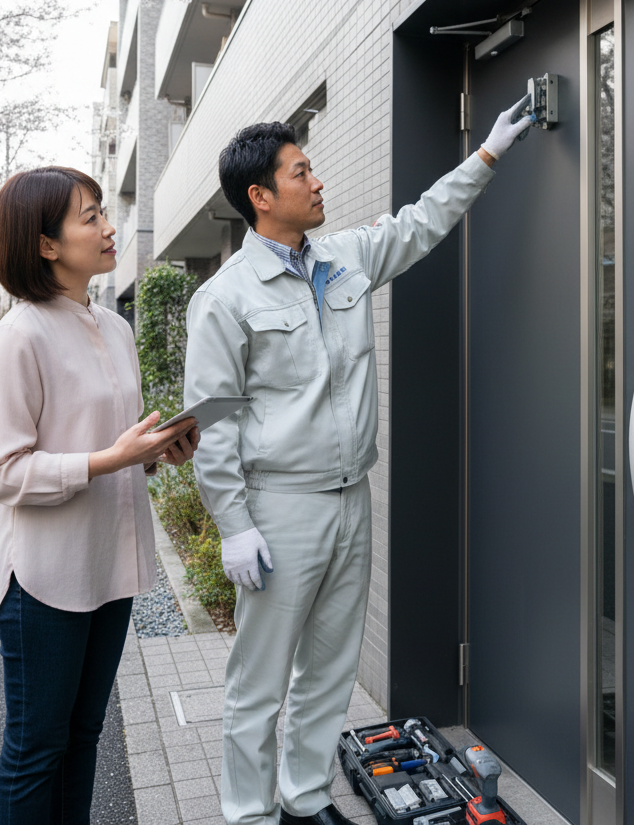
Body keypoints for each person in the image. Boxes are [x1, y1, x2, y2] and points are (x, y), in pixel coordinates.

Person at [183, 98, 533, 825]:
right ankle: (249, 815)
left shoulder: (343, 260)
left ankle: (305, 800)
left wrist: (488, 154)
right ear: (260, 196)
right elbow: (212, 423)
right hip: (280, 510)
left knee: (330, 670)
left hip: (351, 499)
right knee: (259, 681)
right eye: (300, 172)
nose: (316, 182)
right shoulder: (224, 299)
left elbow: (420, 222)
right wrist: (233, 524)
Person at [0, 166, 199, 824]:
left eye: (104, 212)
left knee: (83, 737)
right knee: (35, 748)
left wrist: (153, 456)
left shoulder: (115, 328)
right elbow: (0, 473)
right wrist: (110, 459)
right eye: (90, 216)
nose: (108, 228)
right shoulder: (18, 338)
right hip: (42, 575)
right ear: (46, 244)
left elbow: (108, 447)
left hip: (108, 565)